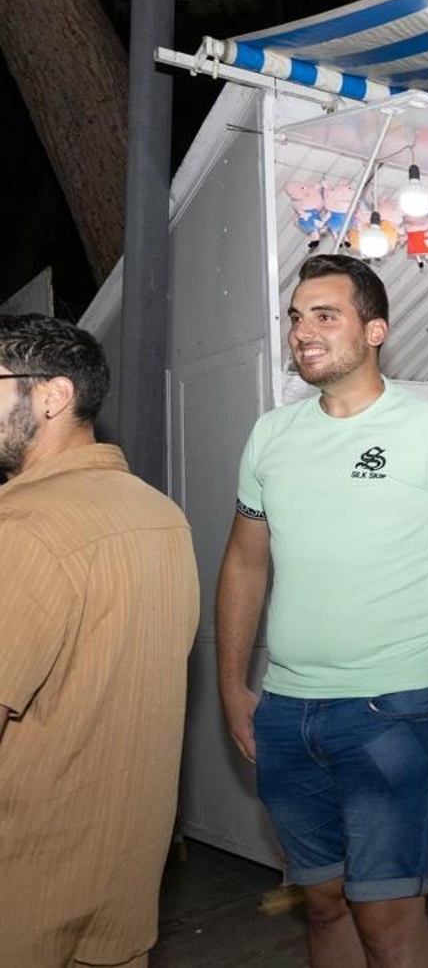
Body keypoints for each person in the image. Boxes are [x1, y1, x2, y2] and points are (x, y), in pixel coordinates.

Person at [216, 255, 428, 968]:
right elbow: (243, 562)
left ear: (375, 329)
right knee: (322, 905)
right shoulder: (271, 436)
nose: (303, 331)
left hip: (392, 710)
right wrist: (231, 685)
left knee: (387, 917)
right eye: (296, 316)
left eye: (326, 315)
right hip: (288, 712)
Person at [0, 315, 201, 968]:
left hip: (23, 885)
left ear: (51, 396)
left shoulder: (23, 527)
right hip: (122, 881)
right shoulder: (161, 515)